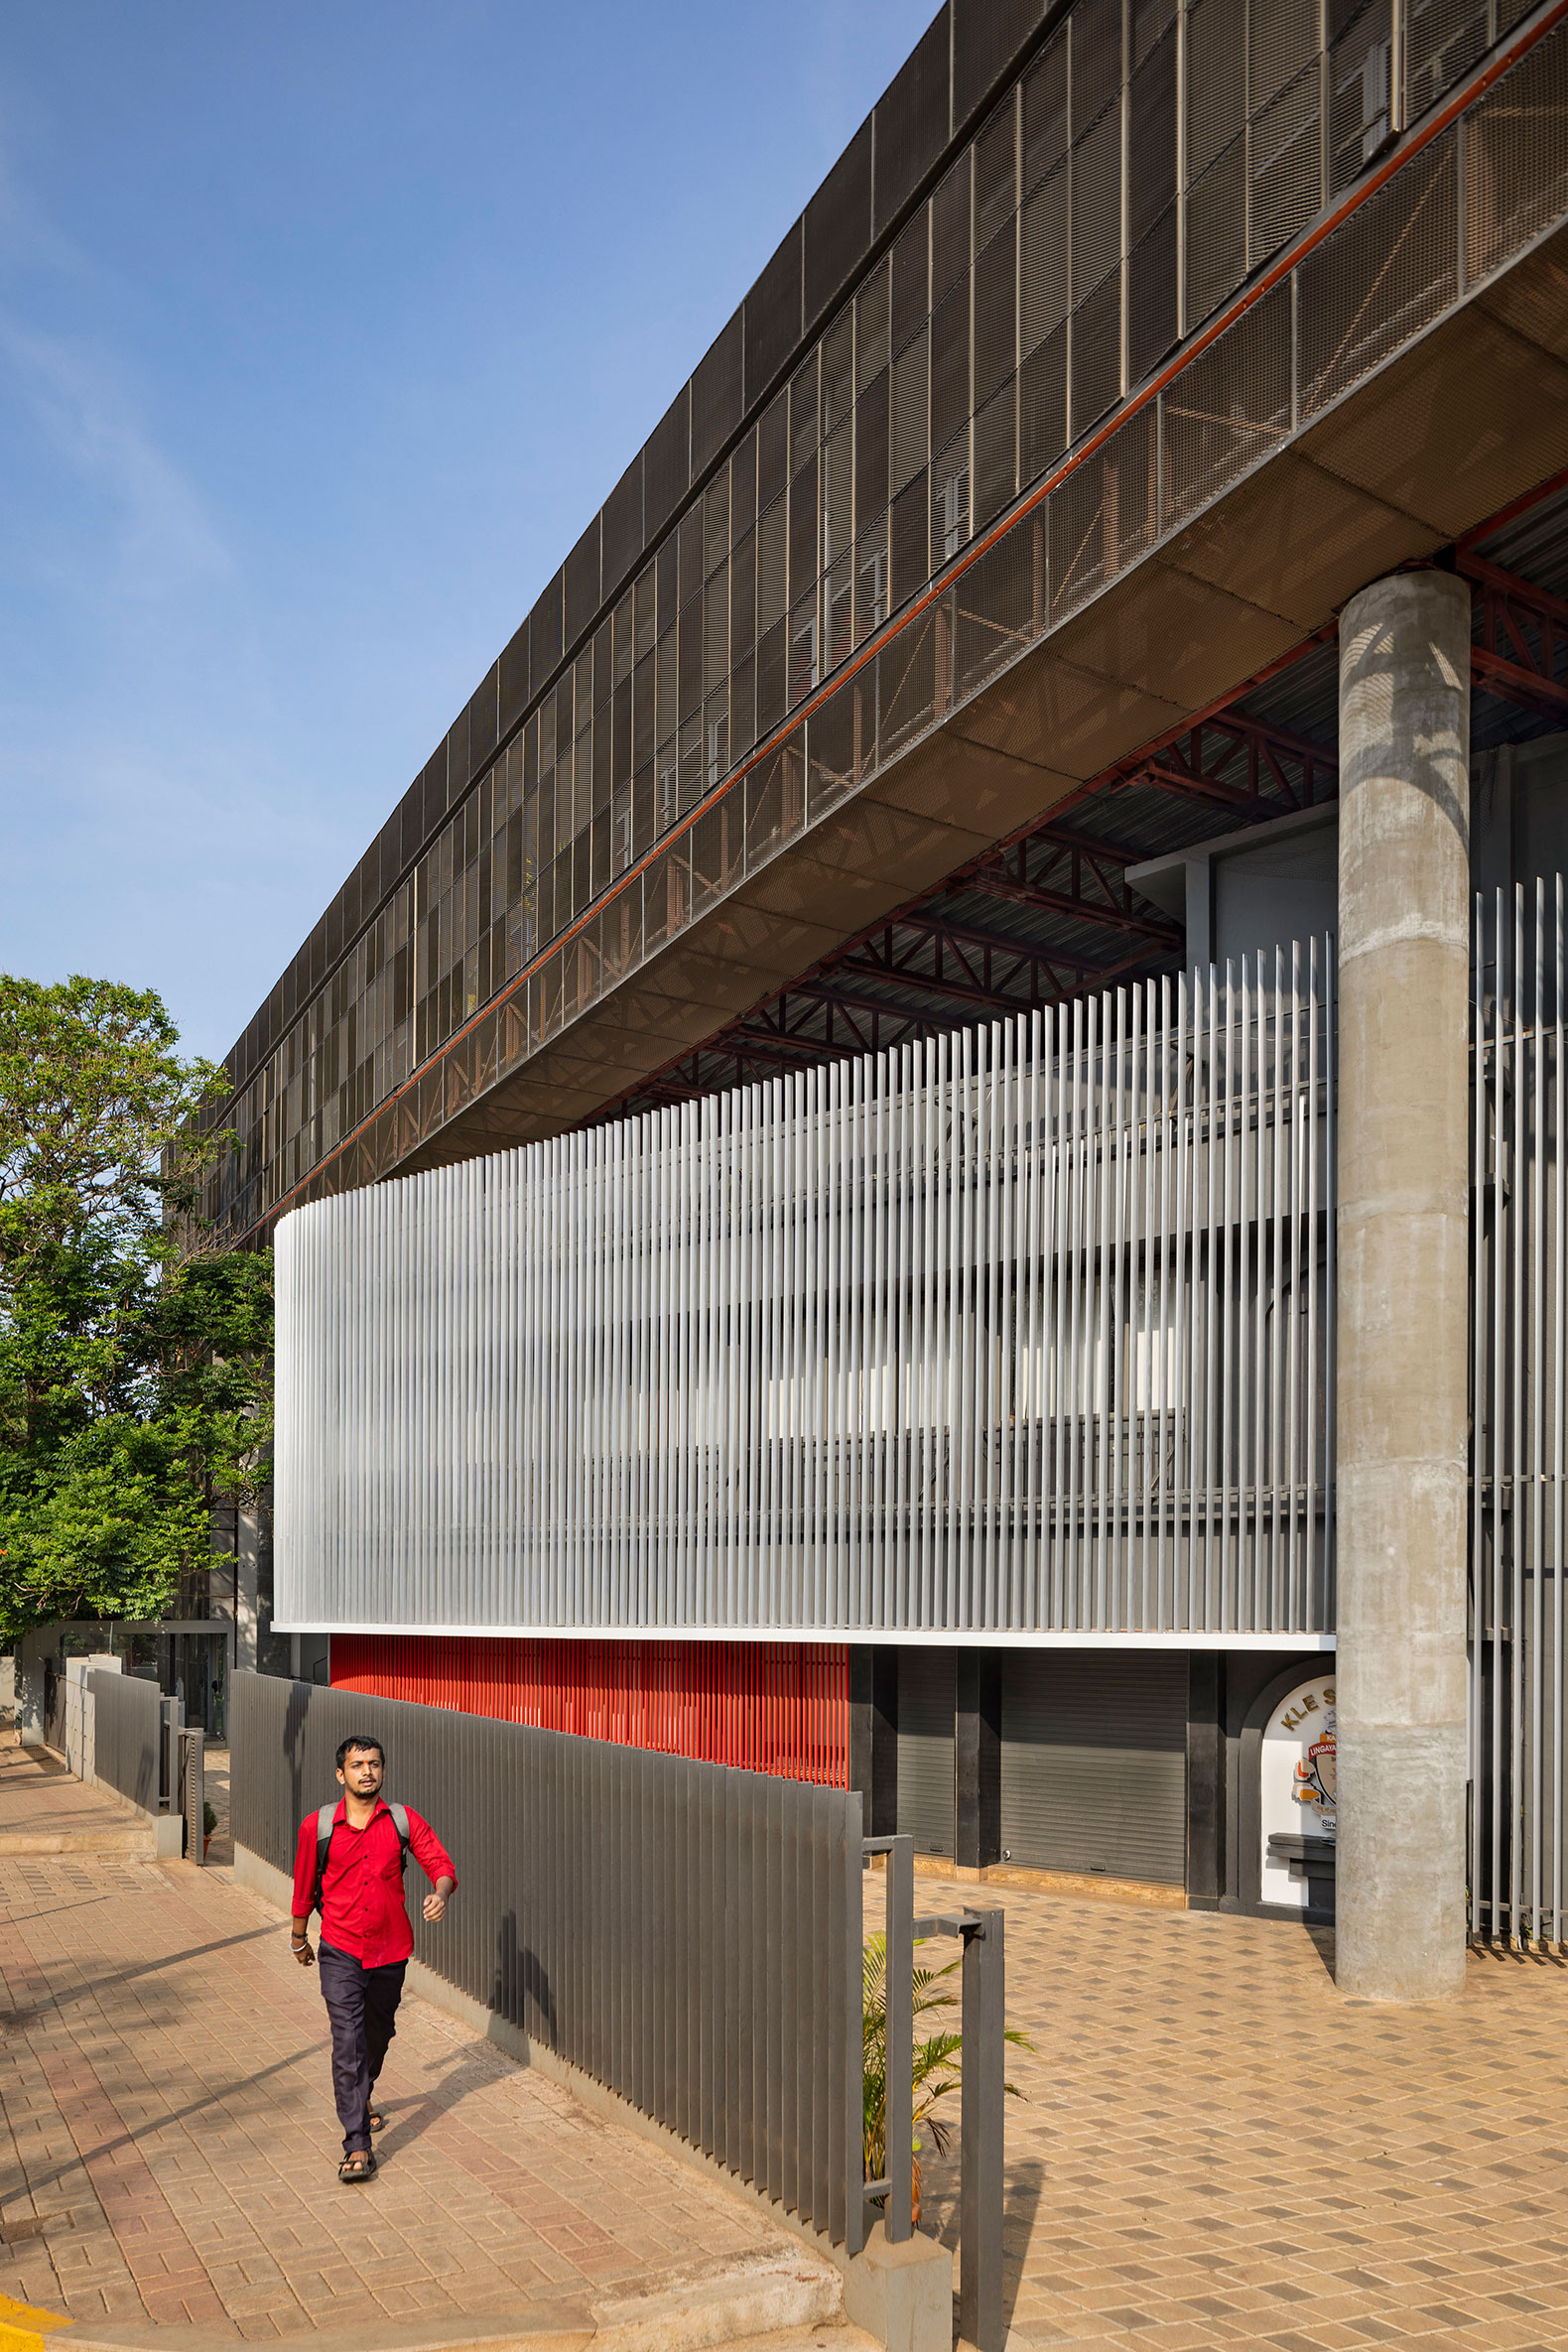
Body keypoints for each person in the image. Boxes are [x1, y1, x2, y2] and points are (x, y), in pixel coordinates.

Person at [290, 1734, 457, 2182]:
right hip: (340, 1949)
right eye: (358, 1765)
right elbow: (304, 1886)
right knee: (347, 2041)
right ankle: (357, 2145)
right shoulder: (317, 1827)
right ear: (340, 1774)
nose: (367, 1772)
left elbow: (441, 1865)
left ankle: (362, 2093)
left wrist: (440, 1894)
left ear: (383, 1770)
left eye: (374, 1764)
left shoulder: (402, 1820)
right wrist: (299, 1939)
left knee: (377, 2034)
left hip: (390, 1951)